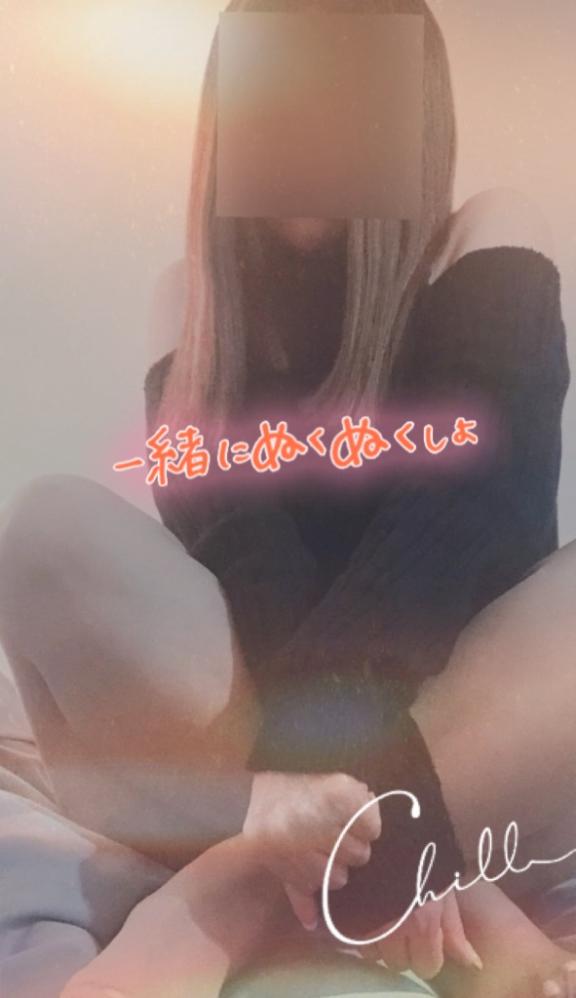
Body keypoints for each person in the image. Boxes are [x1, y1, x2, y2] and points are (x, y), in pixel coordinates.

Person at [1, 0, 576, 995]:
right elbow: (239, 555)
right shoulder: (194, 301)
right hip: (265, 740)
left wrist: (334, 754)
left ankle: (231, 895)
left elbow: (480, 516)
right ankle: (412, 881)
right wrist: (307, 769)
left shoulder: (484, 234)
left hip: (454, 721)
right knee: (48, 529)